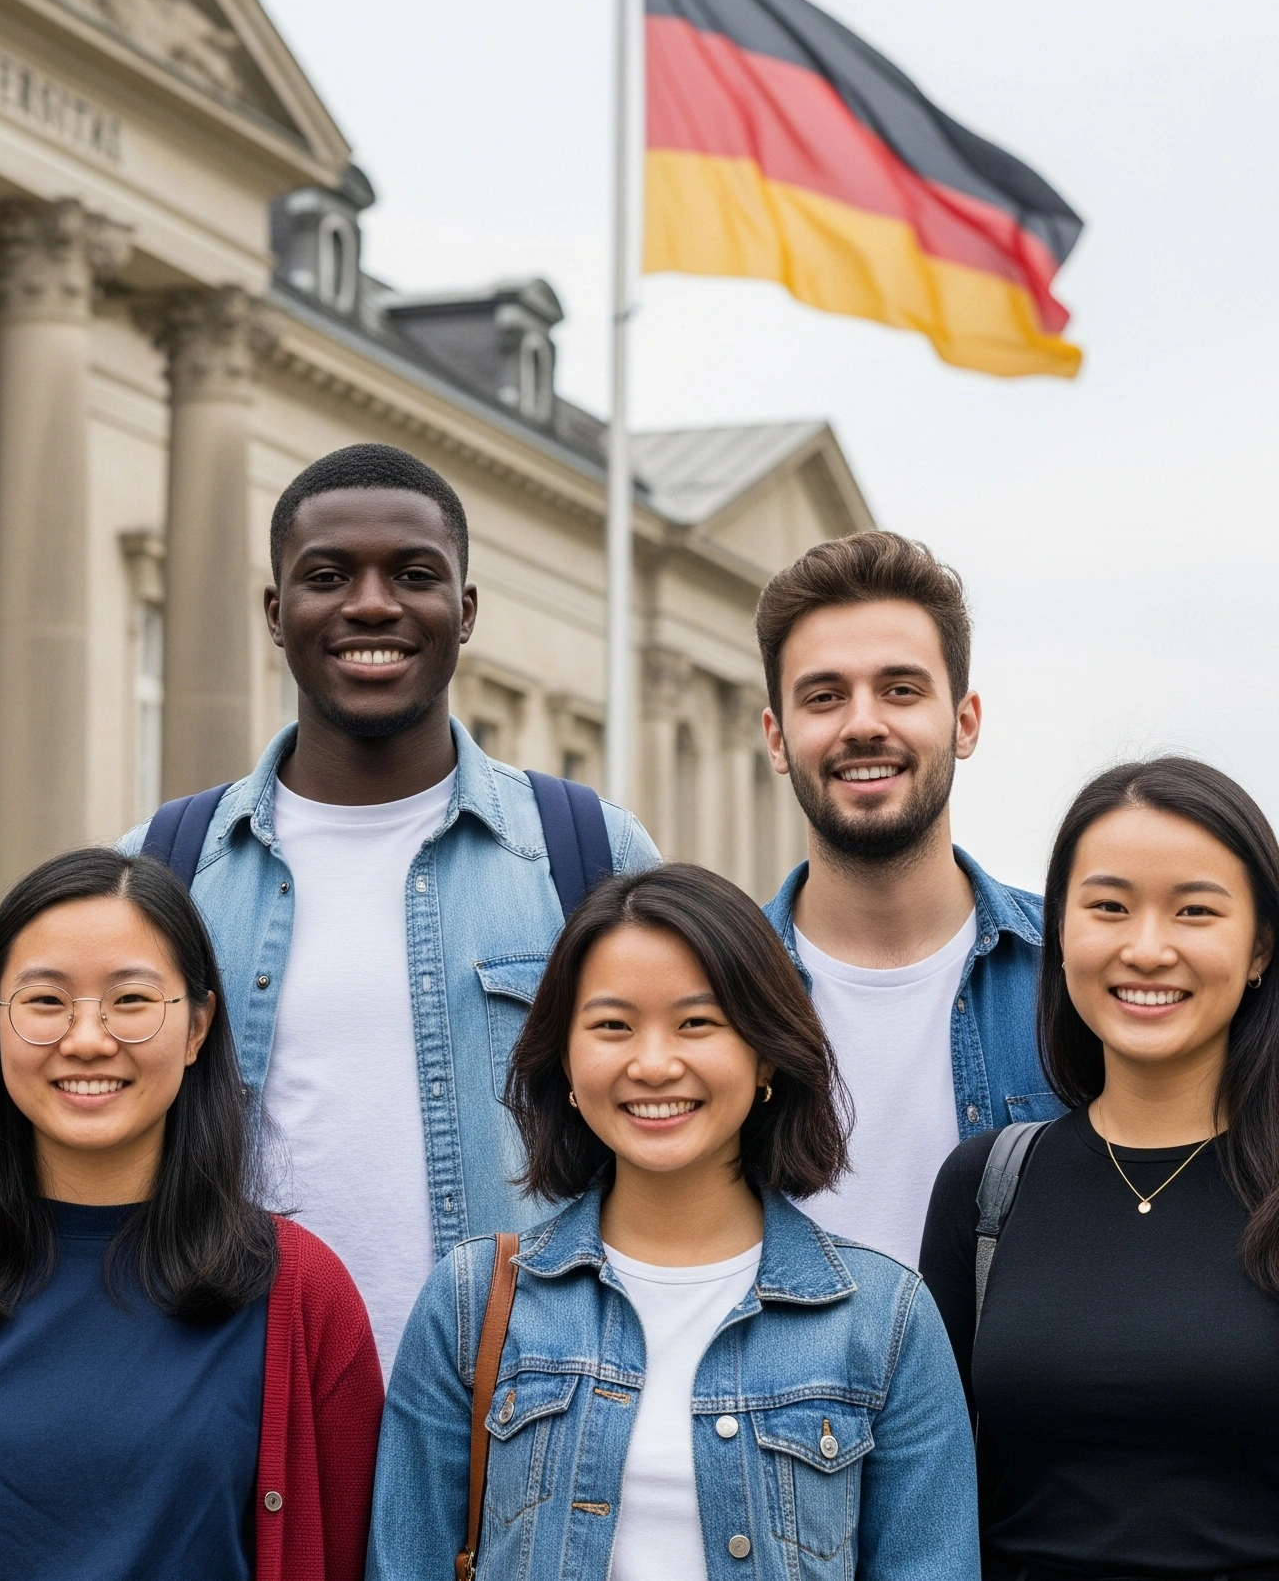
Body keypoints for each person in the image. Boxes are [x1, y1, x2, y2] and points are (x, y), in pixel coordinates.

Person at [120, 442, 660, 1372]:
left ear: (467, 609)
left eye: (414, 574)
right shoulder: (161, 869)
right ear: (275, 612)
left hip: (523, 1411)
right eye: (327, 576)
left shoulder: (590, 855)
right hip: (241, 1396)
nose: (372, 603)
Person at [371, 863, 977, 1581]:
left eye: (697, 1023)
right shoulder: (472, 1304)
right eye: (612, 1026)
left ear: (764, 1058)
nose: (654, 1064)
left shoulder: (886, 1321)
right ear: (566, 1061)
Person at [0, 847, 383, 1581]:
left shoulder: (305, 1295)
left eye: (131, 1001)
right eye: (46, 1001)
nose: (86, 1039)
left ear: (197, 1026)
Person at [922, 757, 1279, 1578]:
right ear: (1060, 933)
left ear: (1259, 945)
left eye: (1194, 911)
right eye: (1109, 907)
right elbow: (934, 1502)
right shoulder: (985, 1190)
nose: (1146, 949)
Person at [757, 529, 1058, 1267]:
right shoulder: (716, 993)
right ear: (776, 739)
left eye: (901, 689)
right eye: (824, 696)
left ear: (964, 723)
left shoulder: (1076, 976)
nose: (864, 724)